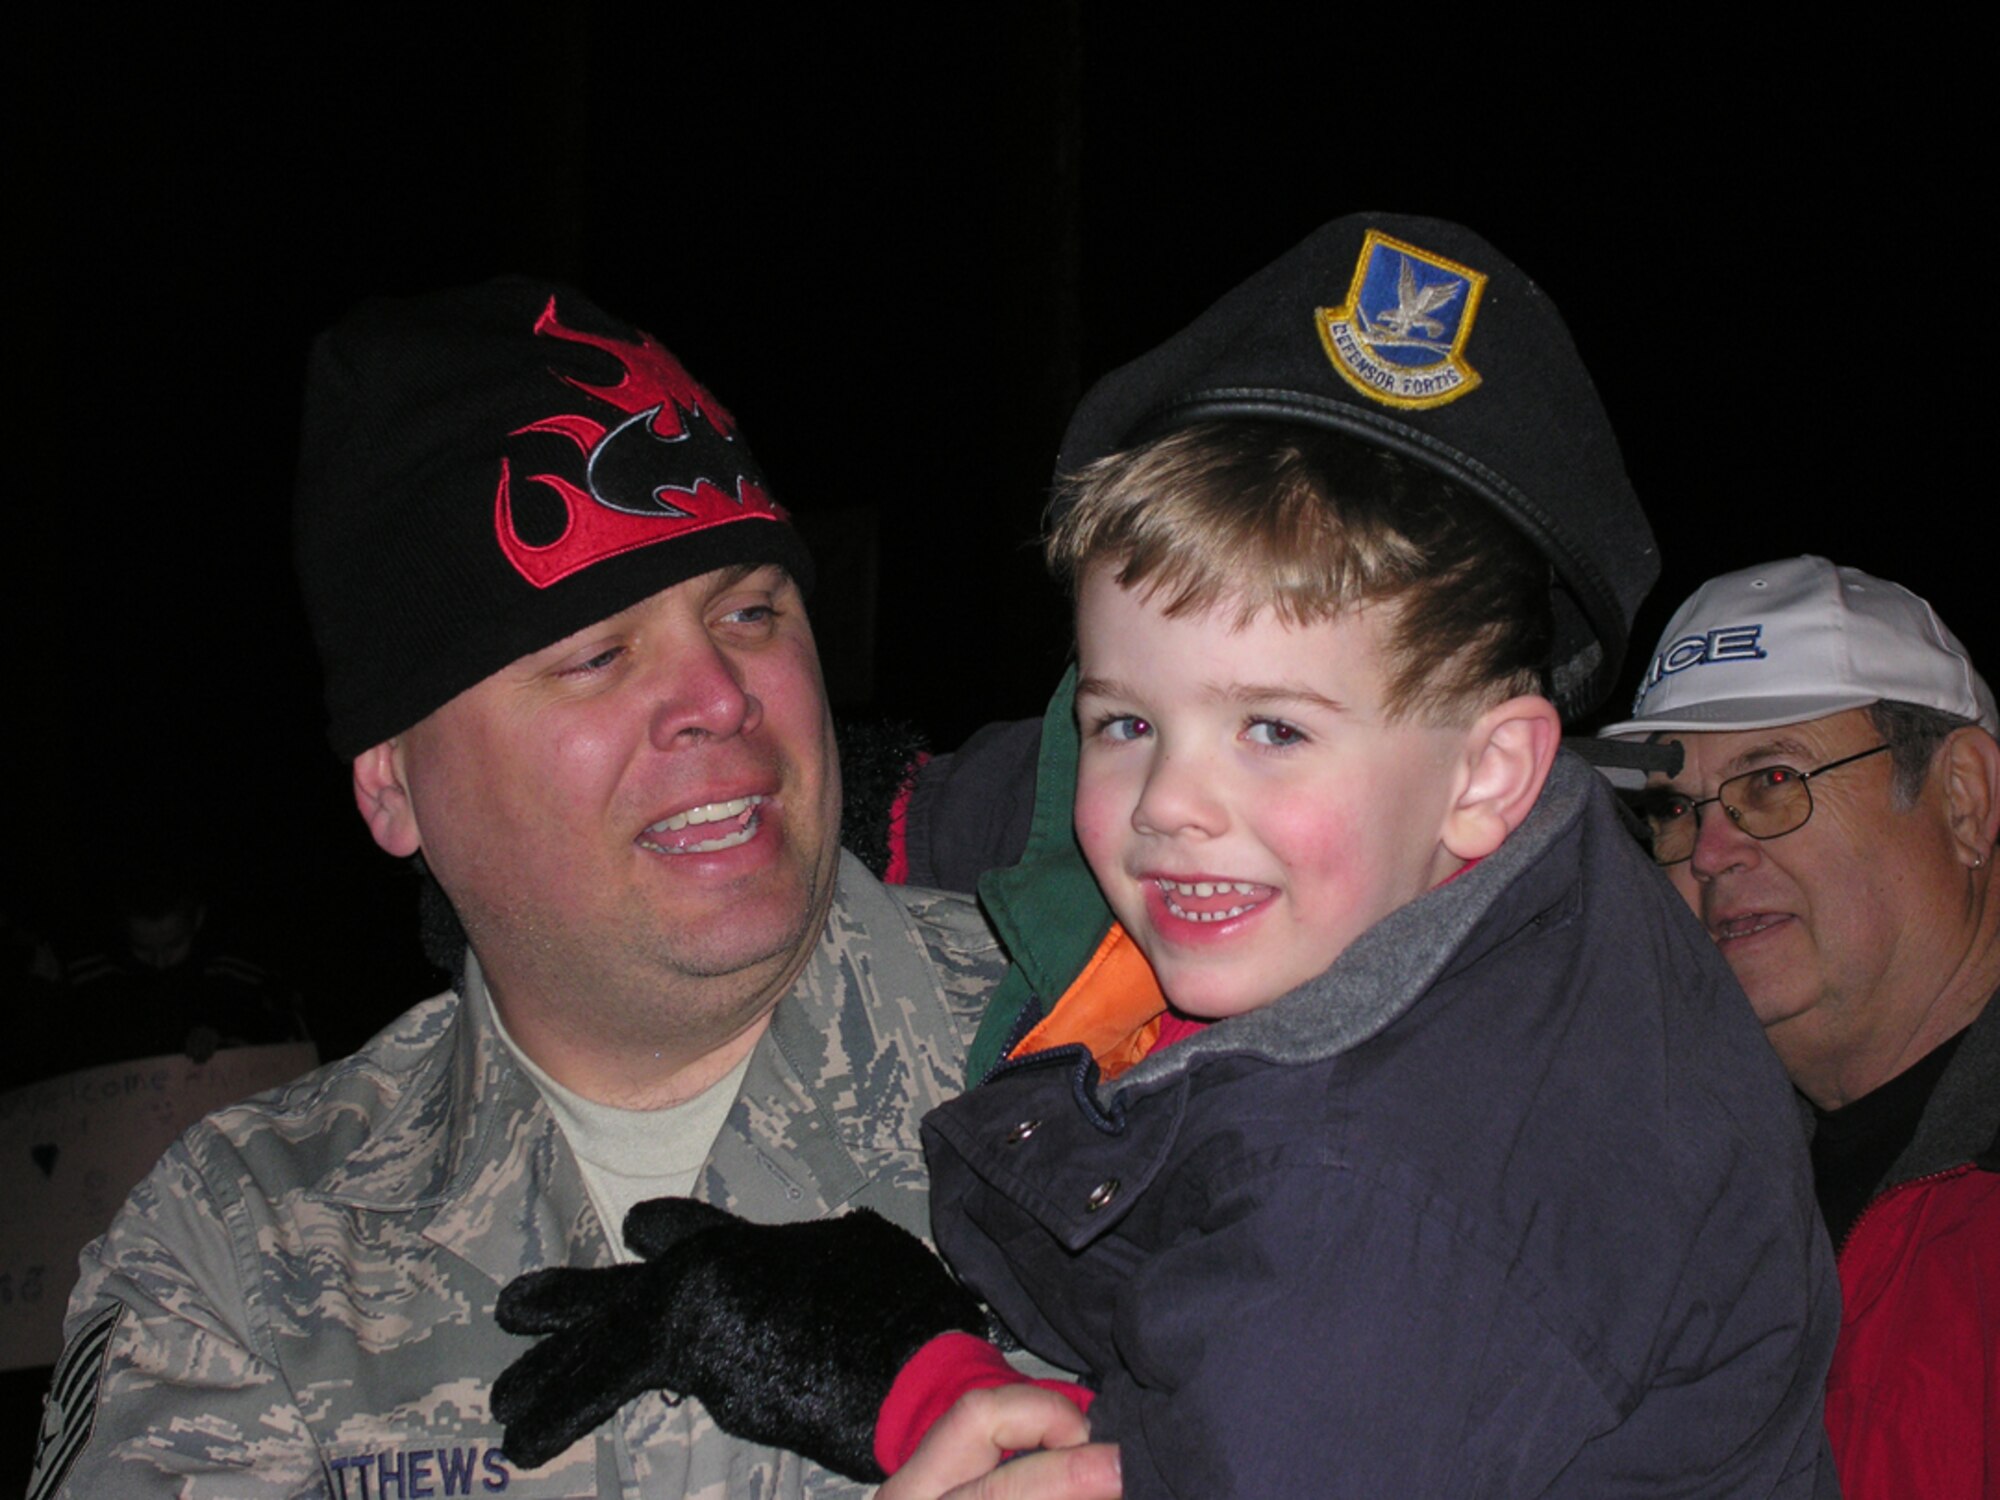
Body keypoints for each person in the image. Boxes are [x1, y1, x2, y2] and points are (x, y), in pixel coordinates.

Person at [493, 216, 1843, 1498]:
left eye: (1270, 727)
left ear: (1490, 770)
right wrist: (721, 830)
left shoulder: (1384, 1208)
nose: (1167, 806)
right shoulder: (1460, 850)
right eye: (1129, 718)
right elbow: (1058, 781)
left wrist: (906, 1382)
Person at [27, 280, 1118, 1500]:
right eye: (596, 655)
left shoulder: (1119, 1057)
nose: (718, 696)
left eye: (751, 611)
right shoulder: (250, 1250)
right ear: (394, 788)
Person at [1599, 555, 2000, 1500]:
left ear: (1963, 801)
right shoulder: (1665, 1189)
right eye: (1672, 807)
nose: (1707, 851)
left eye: (1772, 779)